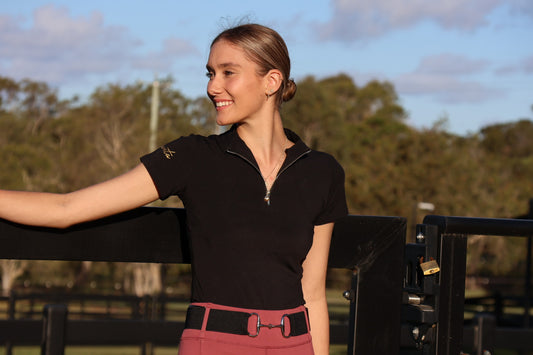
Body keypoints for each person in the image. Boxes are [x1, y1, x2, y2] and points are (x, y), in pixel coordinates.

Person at [0, 23, 347, 354]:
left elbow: (313, 294)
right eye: (210, 73)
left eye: (228, 72)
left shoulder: (322, 171)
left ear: (271, 81)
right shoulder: (191, 156)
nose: (213, 87)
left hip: (294, 344)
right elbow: (67, 209)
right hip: (213, 344)